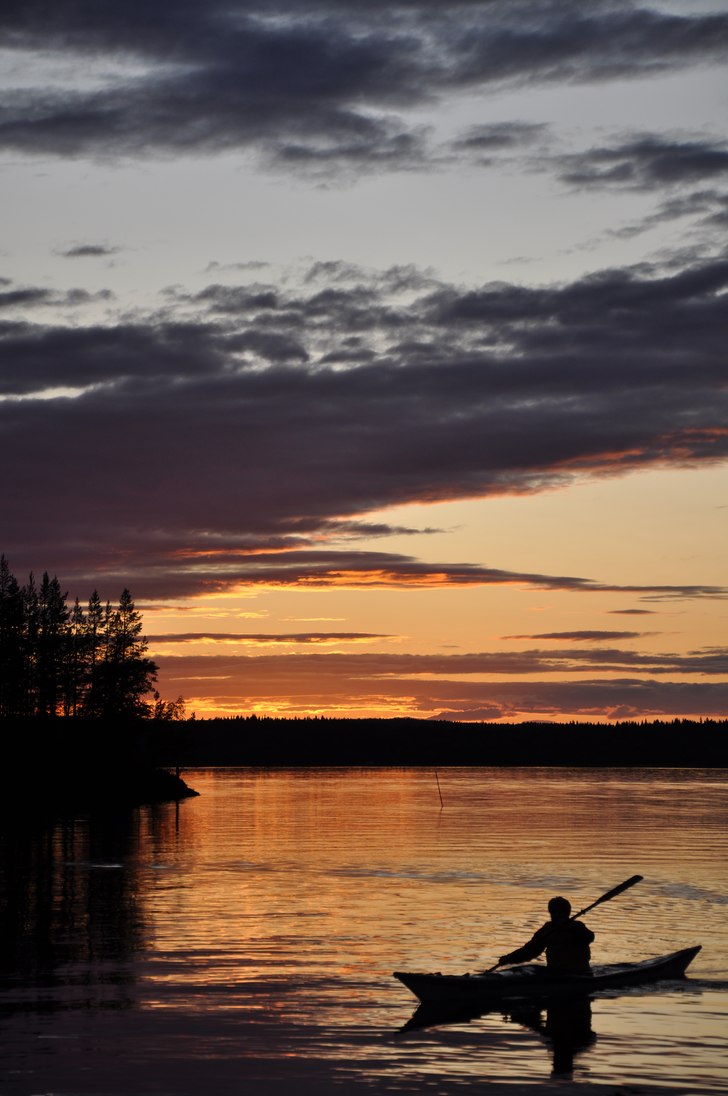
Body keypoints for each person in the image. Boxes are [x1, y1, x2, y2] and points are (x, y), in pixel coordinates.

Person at [498, 896, 594, 975]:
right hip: (555, 972)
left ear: (566, 913)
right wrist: (509, 958)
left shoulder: (577, 927)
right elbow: (530, 950)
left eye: (559, 912)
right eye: (553, 912)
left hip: (578, 973)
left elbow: (589, 937)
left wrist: (572, 929)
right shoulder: (547, 929)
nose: (556, 915)